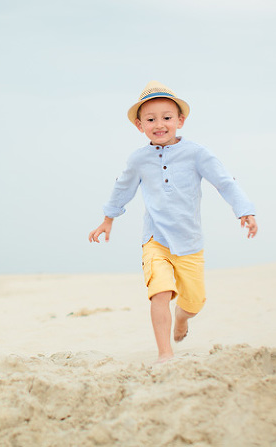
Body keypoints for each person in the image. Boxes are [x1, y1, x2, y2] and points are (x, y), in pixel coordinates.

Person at [88, 80, 258, 363]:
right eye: (151, 119)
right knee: (160, 293)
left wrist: (244, 210)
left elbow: (224, 182)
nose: (159, 124)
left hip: (190, 242)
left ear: (180, 120)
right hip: (156, 240)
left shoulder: (197, 153)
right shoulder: (139, 159)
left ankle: (182, 318)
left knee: (194, 303)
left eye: (166, 118)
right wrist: (108, 219)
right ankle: (164, 353)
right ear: (139, 126)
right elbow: (122, 188)